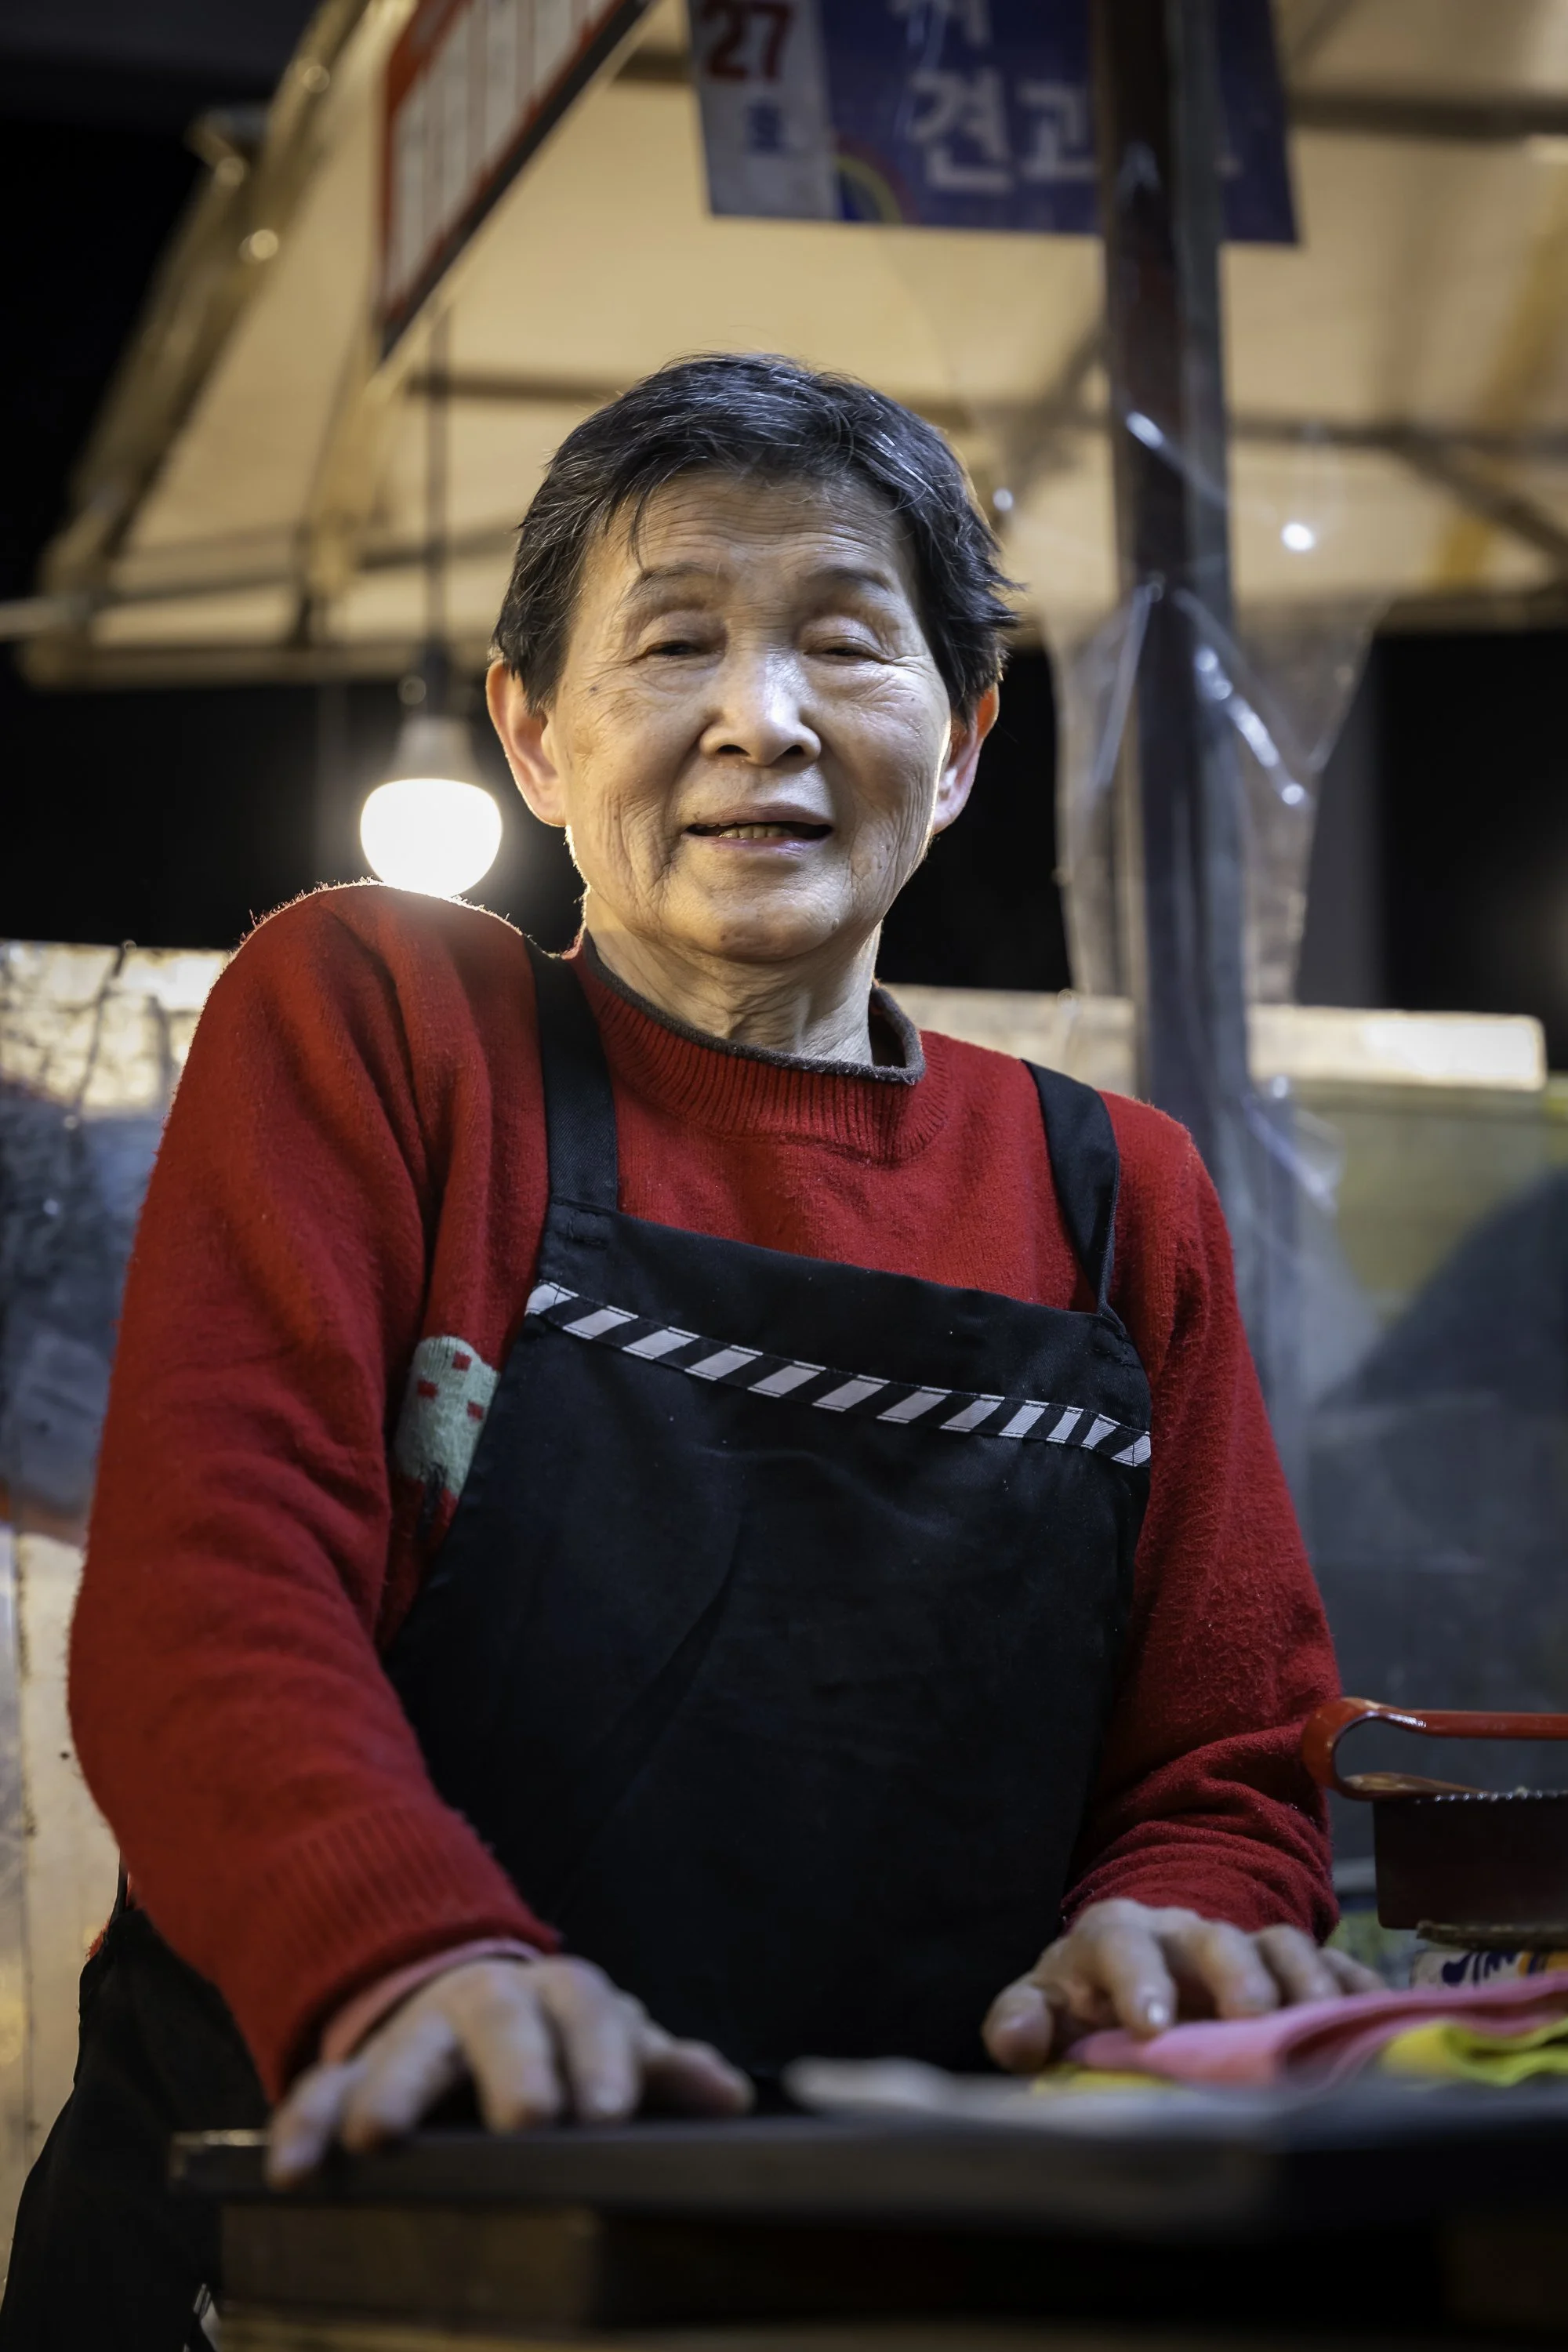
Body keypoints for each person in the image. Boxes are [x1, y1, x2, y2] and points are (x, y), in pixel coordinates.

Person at [1, 354, 1374, 2349]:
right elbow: (209, 1606)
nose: (764, 718)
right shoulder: (389, 1024)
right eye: (673, 644)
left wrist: (1173, 1932)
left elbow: (1231, 1757)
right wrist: (410, 1958)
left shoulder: (1113, 1192)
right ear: (534, 738)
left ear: (966, 735)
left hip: (881, 2270)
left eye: (844, 640)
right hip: (329, 2247)